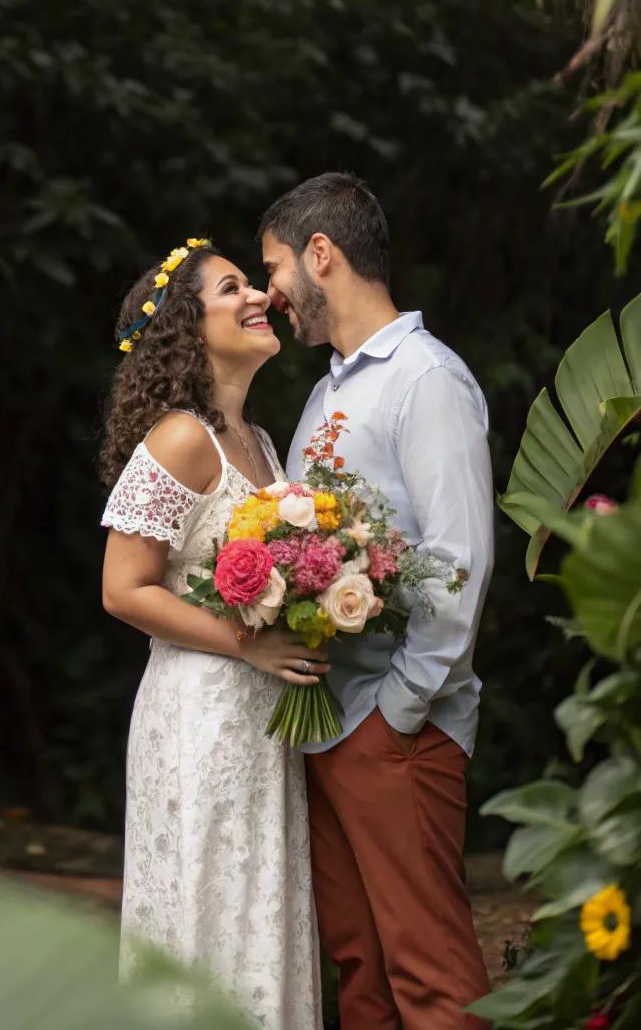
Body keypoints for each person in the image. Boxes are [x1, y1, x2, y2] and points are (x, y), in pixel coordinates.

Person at [259, 172, 494, 1030]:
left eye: (275, 267)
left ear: (321, 254)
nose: (271, 293)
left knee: (430, 974)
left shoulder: (426, 379)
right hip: (328, 719)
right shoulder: (326, 390)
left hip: (398, 727)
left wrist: (395, 713)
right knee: (360, 974)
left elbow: (457, 561)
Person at [100, 238, 323, 1030]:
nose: (257, 296)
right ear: (191, 328)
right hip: (198, 714)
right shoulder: (180, 438)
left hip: (262, 723)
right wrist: (244, 644)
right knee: (206, 910)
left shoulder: (259, 443)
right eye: (233, 288)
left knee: (260, 909)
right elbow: (121, 589)